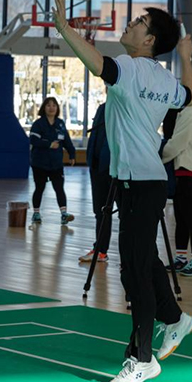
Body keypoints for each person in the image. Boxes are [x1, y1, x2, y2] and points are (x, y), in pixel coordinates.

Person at [53, 0, 192, 382]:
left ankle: (142, 359)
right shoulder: (164, 78)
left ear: (148, 40)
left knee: (134, 272)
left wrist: (64, 28)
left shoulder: (130, 68)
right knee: (143, 260)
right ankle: (175, 320)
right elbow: (190, 96)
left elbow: (97, 63)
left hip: (138, 183)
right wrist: (186, 58)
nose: (131, 23)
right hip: (144, 182)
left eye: (139, 22)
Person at [161, 79, 192, 277]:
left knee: (191, 217)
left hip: (189, 170)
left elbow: (176, 144)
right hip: (185, 170)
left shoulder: (191, 114)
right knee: (181, 217)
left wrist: (158, 155)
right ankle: (181, 258)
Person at [29, 96, 76, 226]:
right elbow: (33, 140)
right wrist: (49, 144)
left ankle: (64, 214)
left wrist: (72, 154)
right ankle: (36, 213)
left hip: (56, 164)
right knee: (39, 188)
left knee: (59, 188)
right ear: (44, 108)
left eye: (54, 105)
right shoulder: (38, 124)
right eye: (48, 105)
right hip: (40, 163)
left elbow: (66, 141)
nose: (51, 108)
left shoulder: (60, 124)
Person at [80, 102, 111, 263]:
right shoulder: (103, 108)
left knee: (127, 214)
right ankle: (100, 250)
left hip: (117, 169)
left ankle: (130, 255)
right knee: (101, 211)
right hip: (98, 168)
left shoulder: (128, 106)